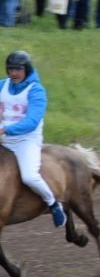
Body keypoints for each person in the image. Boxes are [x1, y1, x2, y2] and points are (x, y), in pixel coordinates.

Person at [0, 51, 67, 228]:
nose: (13, 73)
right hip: (4, 138)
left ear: (27, 70)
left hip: (25, 141)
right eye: (10, 69)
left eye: (18, 69)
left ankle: (53, 204)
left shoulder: (36, 91)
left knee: (29, 176)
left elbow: (32, 121)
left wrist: (5, 129)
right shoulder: (2, 85)